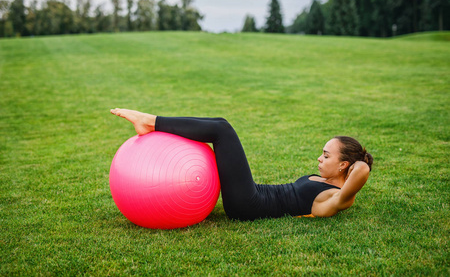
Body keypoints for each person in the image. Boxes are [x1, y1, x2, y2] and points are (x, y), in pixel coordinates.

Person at [110, 108, 373, 220]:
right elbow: (356, 168)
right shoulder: (327, 183)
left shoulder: (337, 198)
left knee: (222, 132)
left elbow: (361, 170)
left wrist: (359, 165)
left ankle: (151, 121)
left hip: (250, 205)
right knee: (221, 123)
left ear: (343, 165)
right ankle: (154, 122)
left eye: (326, 156)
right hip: (253, 195)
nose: (319, 158)